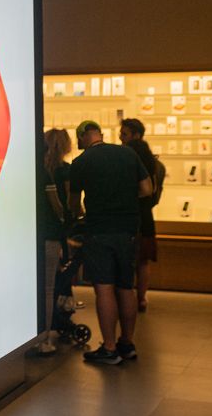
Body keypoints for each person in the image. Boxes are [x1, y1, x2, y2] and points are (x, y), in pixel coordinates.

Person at [69, 120, 153, 365]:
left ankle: (109, 347)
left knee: (104, 287)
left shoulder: (81, 162)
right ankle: (127, 343)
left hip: (99, 230)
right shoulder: (127, 153)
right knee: (125, 287)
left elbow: (74, 203)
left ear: (84, 137)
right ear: (101, 134)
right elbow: (147, 188)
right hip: (128, 229)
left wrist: (81, 213)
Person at [34, 130, 71, 354]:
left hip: (32, 235)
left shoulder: (30, 172)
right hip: (50, 234)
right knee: (48, 287)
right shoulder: (52, 174)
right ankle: (43, 338)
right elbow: (58, 206)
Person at [125, 137, 166, 312]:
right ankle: (141, 298)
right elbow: (155, 196)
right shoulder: (155, 169)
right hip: (146, 219)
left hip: (129, 219)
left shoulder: (128, 170)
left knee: (127, 262)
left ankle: (127, 297)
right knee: (143, 263)